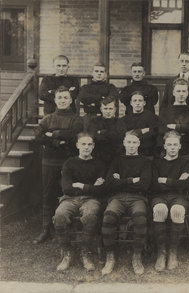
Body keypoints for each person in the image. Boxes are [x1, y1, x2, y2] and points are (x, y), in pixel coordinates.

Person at [33, 86, 83, 244]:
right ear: (55, 100)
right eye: (59, 98)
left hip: (68, 162)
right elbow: (38, 137)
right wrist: (58, 141)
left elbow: (74, 136)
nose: (62, 100)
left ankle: (66, 228)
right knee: (48, 194)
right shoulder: (47, 118)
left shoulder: (77, 119)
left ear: (71, 100)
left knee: (68, 193)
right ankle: (46, 229)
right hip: (48, 161)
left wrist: (53, 134)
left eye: (65, 98)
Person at [54, 133, 106, 271]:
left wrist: (80, 185)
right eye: (83, 144)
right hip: (69, 199)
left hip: (91, 200)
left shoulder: (99, 164)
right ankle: (67, 252)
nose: (86, 147)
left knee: (90, 215)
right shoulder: (69, 163)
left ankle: (85, 252)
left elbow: (100, 190)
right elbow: (67, 189)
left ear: (93, 146)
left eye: (89, 144)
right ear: (77, 145)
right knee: (59, 215)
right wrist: (91, 187)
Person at [101, 131, 152, 275]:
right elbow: (109, 184)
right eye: (128, 142)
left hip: (138, 198)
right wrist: (131, 180)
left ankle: (137, 256)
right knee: (109, 216)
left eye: (134, 142)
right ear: (124, 143)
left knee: (140, 218)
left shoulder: (145, 162)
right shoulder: (117, 161)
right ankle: (110, 256)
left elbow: (144, 185)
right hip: (117, 198)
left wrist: (120, 181)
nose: (131, 145)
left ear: (139, 144)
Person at [151, 130, 189, 271]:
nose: (173, 147)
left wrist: (165, 180)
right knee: (160, 209)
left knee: (177, 210)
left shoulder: (186, 163)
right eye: (170, 144)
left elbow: (186, 185)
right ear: (165, 146)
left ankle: (173, 252)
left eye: (175, 144)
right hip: (159, 196)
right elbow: (154, 185)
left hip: (179, 197)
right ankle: (161, 252)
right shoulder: (156, 163)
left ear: (180, 146)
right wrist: (176, 182)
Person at [159, 78, 189, 158]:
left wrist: (176, 127)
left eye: (184, 91)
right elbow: (161, 130)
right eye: (178, 91)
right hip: (168, 152)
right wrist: (186, 128)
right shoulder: (165, 110)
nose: (181, 94)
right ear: (173, 92)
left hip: (188, 151)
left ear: (187, 93)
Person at [160, 52, 189, 116]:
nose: (184, 64)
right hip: (173, 116)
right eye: (182, 61)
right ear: (178, 63)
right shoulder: (170, 82)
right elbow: (164, 103)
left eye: (187, 61)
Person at [87, 96, 126, 165]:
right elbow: (93, 137)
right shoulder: (94, 121)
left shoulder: (120, 122)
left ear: (115, 109)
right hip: (98, 156)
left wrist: (102, 132)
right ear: (101, 109)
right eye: (105, 108)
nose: (108, 111)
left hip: (115, 157)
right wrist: (111, 134)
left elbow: (119, 138)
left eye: (110, 109)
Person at [78, 63, 118, 128]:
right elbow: (82, 97)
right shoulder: (86, 87)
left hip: (106, 117)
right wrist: (101, 97)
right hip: (90, 117)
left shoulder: (111, 87)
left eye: (101, 72)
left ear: (105, 74)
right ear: (92, 73)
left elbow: (111, 99)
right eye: (96, 71)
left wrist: (93, 103)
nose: (99, 73)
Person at [122, 91, 159, 156]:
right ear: (131, 103)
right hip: (129, 152)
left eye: (140, 101)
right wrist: (143, 130)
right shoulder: (125, 119)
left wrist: (134, 133)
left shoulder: (151, 117)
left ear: (144, 103)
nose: (137, 103)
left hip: (147, 152)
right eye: (135, 101)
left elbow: (153, 132)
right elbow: (124, 134)